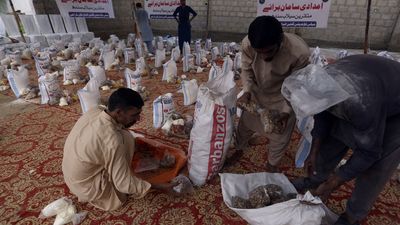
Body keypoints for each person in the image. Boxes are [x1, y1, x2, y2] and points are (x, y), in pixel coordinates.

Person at [290, 55, 400, 225]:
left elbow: (369, 152)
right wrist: (314, 150)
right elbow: (323, 115)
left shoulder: (360, 105)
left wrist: (334, 182)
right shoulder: (318, 83)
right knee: (335, 135)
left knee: (377, 165)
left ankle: (352, 216)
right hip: (369, 87)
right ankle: (315, 180)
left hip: (395, 109)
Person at [62, 88, 177, 211]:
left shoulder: (96, 111)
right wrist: (158, 186)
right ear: (118, 112)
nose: (138, 119)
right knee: (124, 139)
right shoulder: (112, 140)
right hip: (86, 187)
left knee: (126, 135)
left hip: (71, 175)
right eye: (134, 115)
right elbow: (123, 184)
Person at [231, 16, 310, 172]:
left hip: (283, 97)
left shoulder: (299, 52)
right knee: (246, 124)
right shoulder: (248, 44)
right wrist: (247, 91)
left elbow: (297, 86)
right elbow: (246, 69)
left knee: (279, 134)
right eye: (259, 52)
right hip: (257, 91)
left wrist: (287, 112)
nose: (264, 57)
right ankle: (238, 148)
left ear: (280, 40)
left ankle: (272, 165)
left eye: (269, 51)